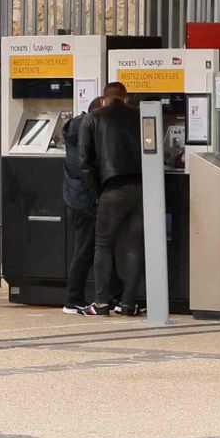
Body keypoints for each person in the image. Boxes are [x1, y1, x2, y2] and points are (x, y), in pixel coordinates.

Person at [76, 76, 147, 315]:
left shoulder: (92, 118)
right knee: (135, 247)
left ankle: (102, 302)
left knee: (103, 245)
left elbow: (84, 162)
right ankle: (128, 303)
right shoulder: (140, 115)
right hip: (140, 188)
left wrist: (98, 192)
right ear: (125, 97)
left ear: (104, 99)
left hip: (110, 189)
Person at [57, 84, 104, 311]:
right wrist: (97, 195)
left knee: (88, 248)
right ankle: (73, 300)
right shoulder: (86, 130)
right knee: (85, 249)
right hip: (83, 199)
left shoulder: (77, 126)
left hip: (75, 196)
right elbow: (86, 166)